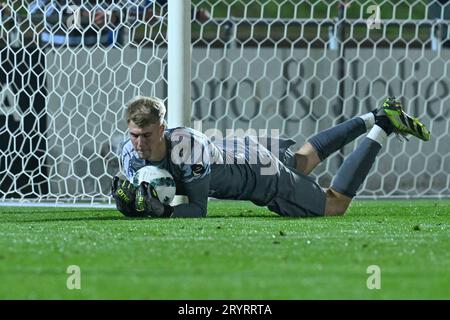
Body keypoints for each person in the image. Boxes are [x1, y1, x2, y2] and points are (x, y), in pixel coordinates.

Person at [111, 96, 430, 218]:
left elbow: (197, 208)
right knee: (303, 161)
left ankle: (383, 127)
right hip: (244, 149)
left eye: (147, 136)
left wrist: (162, 213)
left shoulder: (188, 150)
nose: (139, 144)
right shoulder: (129, 154)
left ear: (162, 129)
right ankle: (376, 114)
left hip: (258, 175)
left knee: (334, 205)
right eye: (134, 135)